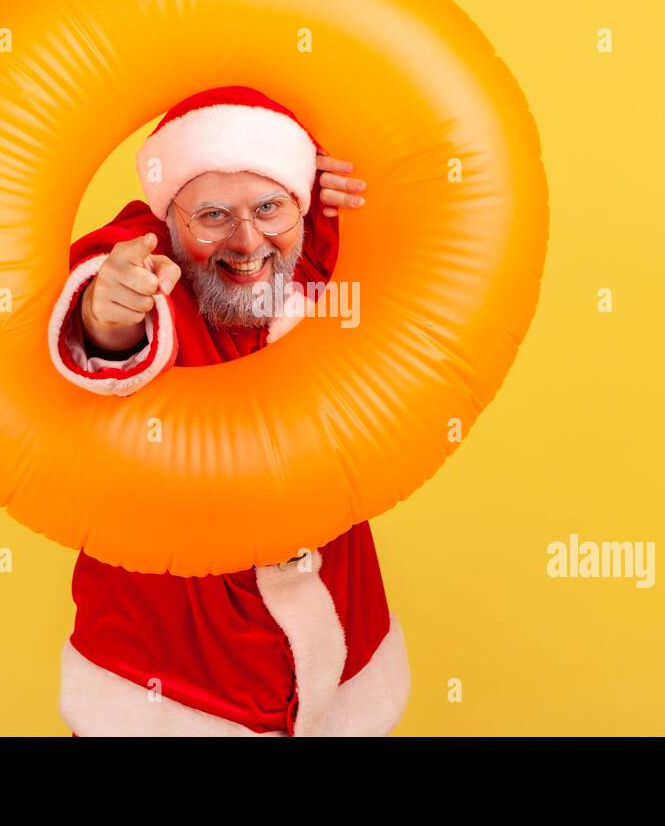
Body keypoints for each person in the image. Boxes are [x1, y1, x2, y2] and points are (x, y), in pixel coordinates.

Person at [47, 85, 411, 736]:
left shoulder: (313, 256)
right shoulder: (152, 262)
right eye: (212, 215)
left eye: (269, 206)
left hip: (334, 646)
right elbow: (108, 324)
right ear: (170, 218)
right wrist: (108, 312)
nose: (247, 242)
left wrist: (362, 183)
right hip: (177, 674)